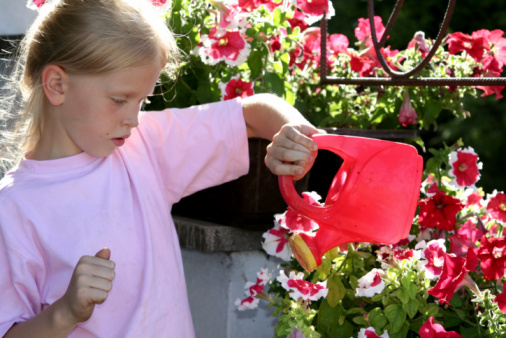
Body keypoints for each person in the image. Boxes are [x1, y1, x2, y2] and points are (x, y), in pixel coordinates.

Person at [0, 0, 321, 337]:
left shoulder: (144, 144)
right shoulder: (13, 209)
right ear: (56, 85)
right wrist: (63, 313)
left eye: (142, 101)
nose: (133, 118)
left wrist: (299, 137)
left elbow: (255, 113)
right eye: (120, 100)